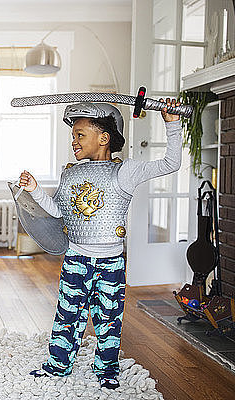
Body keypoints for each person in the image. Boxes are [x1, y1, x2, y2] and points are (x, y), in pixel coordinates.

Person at [18, 99, 182, 389]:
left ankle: (106, 369)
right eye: (73, 136)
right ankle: (58, 364)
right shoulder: (70, 173)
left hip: (110, 263)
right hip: (76, 258)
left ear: (104, 138)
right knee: (67, 314)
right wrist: (35, 191)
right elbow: (58, 211)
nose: (74, 141)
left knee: (108, 319)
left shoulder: (126, 172)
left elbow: (172, 163)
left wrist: (172, 124)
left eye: (80, 135)